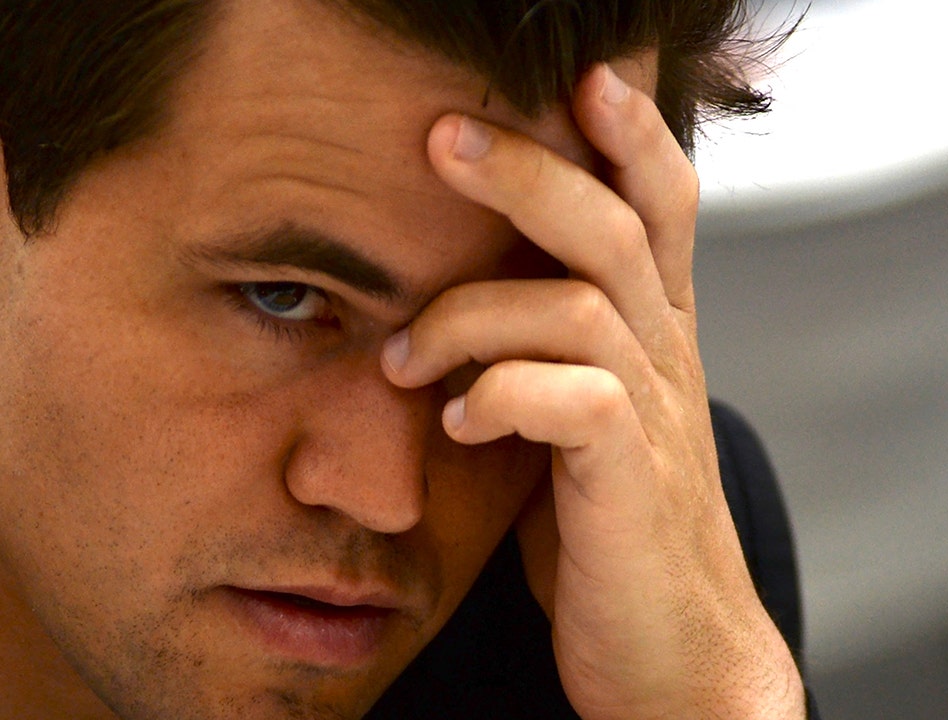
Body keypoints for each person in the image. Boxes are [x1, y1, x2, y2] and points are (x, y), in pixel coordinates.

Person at [0, 0, 812, 718]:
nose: (386, 498)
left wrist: (717, 703)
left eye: (502, 329)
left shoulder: (645, 583)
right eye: (282, 296)